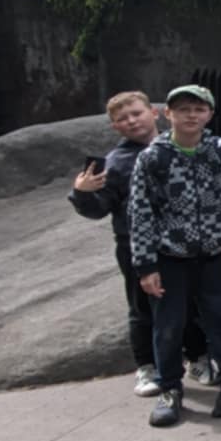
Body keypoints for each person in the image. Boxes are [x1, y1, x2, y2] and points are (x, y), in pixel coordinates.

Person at [128, 85, 221, 428]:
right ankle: (170, 390)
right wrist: (145, 265)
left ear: (210, 114)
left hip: (219, 253)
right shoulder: (152, 157)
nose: (191, 115)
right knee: (168, 326)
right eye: (183, 109)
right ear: (168, 114)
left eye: (199, 109)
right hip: (170, 256)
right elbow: (140, 213)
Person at [69, 91, 171, 397]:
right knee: (143, 307)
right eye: (122, 119)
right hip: (134, 245)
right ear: (115, 127)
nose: (132, 121)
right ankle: (147, 366)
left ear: (154, 112)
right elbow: (99, 209)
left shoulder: (178, 146)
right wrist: (83, 192)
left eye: (136, 113)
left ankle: (196, 356)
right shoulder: (116, 162)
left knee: (188, 302)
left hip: (180, 240)